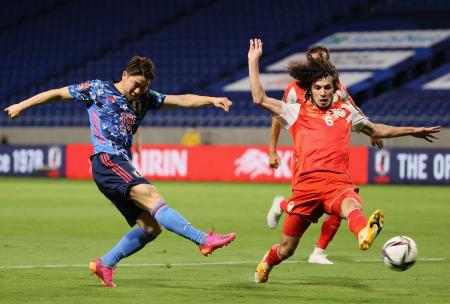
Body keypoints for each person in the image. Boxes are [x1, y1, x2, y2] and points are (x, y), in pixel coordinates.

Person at [4, 56, 236, 288]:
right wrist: (22, 105)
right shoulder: (96, 89)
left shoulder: (146, 98)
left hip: (119, 163)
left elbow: (182, 100)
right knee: (153, 197)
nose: (137, 90)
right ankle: (203, 239)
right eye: (135, 83)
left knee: (151, 227)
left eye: (143, 86)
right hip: (107, 159)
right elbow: (57, 93)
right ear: (124, 75)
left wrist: (211, 100)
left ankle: (105, 263)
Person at [247, 38, 440, 283]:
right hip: (306, 187)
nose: (323, 92)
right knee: (287, 249)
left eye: (328, 87)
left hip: (337, 183)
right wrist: (253, 62)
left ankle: (363, 233)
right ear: (310, 90)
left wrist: (412, 131)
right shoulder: (295, 112)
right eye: (318, 88)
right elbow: (259, 98)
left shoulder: (346, 112)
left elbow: (377, 129)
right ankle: (267, 262)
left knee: (351, 205)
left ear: (335, 89)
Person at [267, 45, 384, 265]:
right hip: (306, 155)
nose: (318, 64)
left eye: (322, 60)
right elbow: (277, 116)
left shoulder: (336, 88)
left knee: (338, 201)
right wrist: (272, 150)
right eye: (314, 61)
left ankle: (319, 251)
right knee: (307, 205)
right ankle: (283, 204)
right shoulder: (294, 89)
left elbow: (353, 109)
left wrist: (372, 132)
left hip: (332, 153)